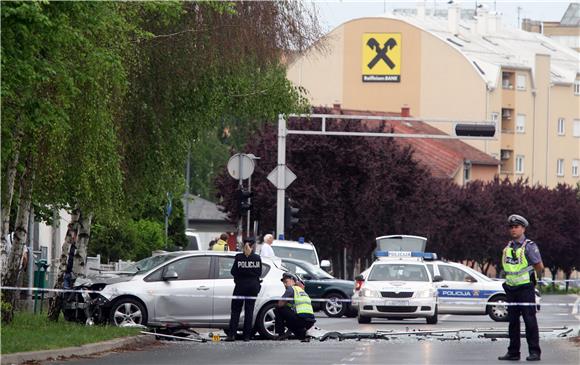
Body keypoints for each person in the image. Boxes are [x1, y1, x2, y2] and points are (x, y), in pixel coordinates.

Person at [498, 214, 544, 362]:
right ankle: (513, 352)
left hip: (525, 289)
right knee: (513, 323)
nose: (513, 230)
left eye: (516, 227)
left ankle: (534, 352)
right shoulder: (507, 248)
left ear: (523, 228)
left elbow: (539, 266)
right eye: (511, 227)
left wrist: (534, 280)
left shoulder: (529, 246)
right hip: (511, 289)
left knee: (529, 320)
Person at [226, 237, 262, 342]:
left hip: (240, 287)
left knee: (236, 311)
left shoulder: (238, 257)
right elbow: (259, 273)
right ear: (253, 245)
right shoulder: (257, 258)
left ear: (243, 245)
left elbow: (233, 272)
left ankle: (232, 335)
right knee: (249, 311)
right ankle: (247, 336)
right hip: (252, 287)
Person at [274, 272, 316, 342]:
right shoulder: (301, 291)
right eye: (283, 282)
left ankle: (280, 334)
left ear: (293, 281)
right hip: (310, 321)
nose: (284, 284)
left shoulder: (291, 289)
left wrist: (284, 304)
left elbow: (280, 304)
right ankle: (303, 335)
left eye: (286, 282)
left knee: (277, 309)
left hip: (300, 319)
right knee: (290, 319)